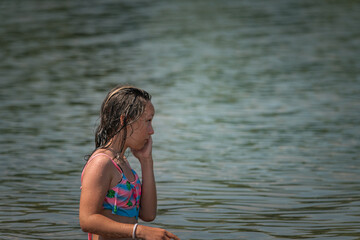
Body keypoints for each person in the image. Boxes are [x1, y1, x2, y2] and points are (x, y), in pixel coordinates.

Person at [79, 85, 180, 240]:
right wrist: (140, 231)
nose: (151, 130)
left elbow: (148, 214)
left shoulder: (123, 163)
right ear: (125, 120)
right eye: (148, 121)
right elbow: (87, 220)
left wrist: (146, 161)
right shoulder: (102, 163)